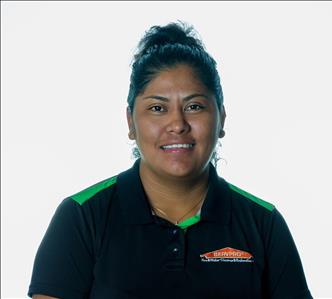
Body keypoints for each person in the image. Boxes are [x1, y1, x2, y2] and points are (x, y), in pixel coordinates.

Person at [28, 21, 313, 299]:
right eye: (157, 108)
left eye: (194, 106)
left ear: (221, 118)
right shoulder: (81, 218)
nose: (177, 123)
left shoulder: (264, 224)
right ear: (130, 122)